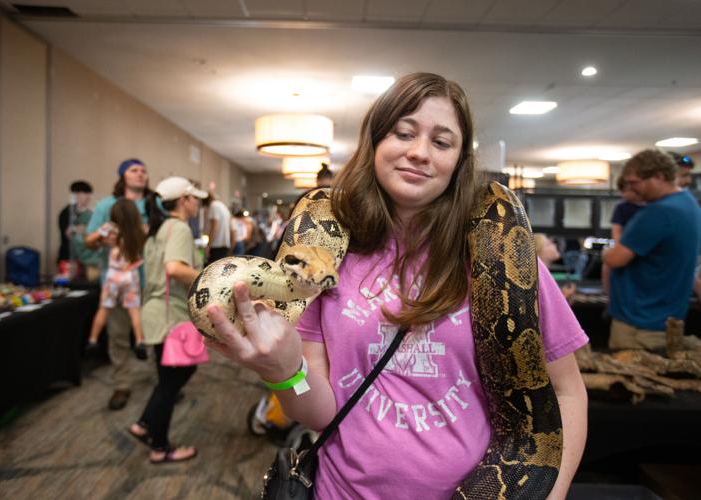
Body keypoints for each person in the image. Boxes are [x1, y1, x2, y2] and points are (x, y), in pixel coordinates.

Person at [205, 73, 587, 498]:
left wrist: (551, 490)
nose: (419, 152)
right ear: (375, 143)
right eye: (403, 133)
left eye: (442, 142)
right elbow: (319, 414)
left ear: (459, 162)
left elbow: (565, 389)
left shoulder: (506, 255)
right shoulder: (320, 256)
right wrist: (284, 372)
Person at [128, 176, 206, 464]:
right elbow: (174, 269)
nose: (198, 202)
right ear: (184, 200)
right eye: (194, 197)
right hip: (169, 314)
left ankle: (145, 424)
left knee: (170, 378)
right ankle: (160, 448)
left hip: (157, 311)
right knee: (173, 380)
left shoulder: (158, 228)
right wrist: (209, 278)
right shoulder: (180, 228)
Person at [604, 149, 701, 351]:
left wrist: (606, 252)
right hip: (665, 322)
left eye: (634, 182)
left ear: (658, 176)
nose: (630, 189)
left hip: (639, 328)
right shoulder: (689, 203)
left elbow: (615, 259)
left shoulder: (658, 212)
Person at [85, 158, 151, 410]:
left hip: (148, 281)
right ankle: (121, 384)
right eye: (134, 170)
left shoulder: (152, 205)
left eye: (144, 171)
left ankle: (162, 381)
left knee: (152, 333)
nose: (140, 175)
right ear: (123, 176)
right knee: (118, 335)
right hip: (115, 282)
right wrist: (101, 237)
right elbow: (89, 240)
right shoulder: (106, 206)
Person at [86, 199, 146, 360]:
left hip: (113, 275)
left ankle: (92, 340)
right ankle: (140, 341)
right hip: (130, 276)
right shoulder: (138, 231)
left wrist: (101, 236)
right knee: (134, 311)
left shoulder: (110, 228)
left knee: (104, 308)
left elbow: (89, 240)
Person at [601, 175, 645, 294]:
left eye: (630, 190)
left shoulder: (649, 207)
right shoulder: (622, 207)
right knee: (607, 265)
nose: (627, 194)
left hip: (642, 245)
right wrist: (619, 246)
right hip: (625, 245)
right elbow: (616, 229)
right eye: (624, 191)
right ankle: (607, 293)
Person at [534, 233, 576, 302]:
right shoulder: (539, 276)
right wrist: (564, 296)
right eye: (548, 244)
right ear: (540, 251)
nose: (554, 245)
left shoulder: (543, 273)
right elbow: (544, 307)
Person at [201, 192, 232, 264]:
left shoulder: (213, 206)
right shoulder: (222, 206)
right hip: (224, 245)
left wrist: (208, 246)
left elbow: (214, 226)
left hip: (217, 246)